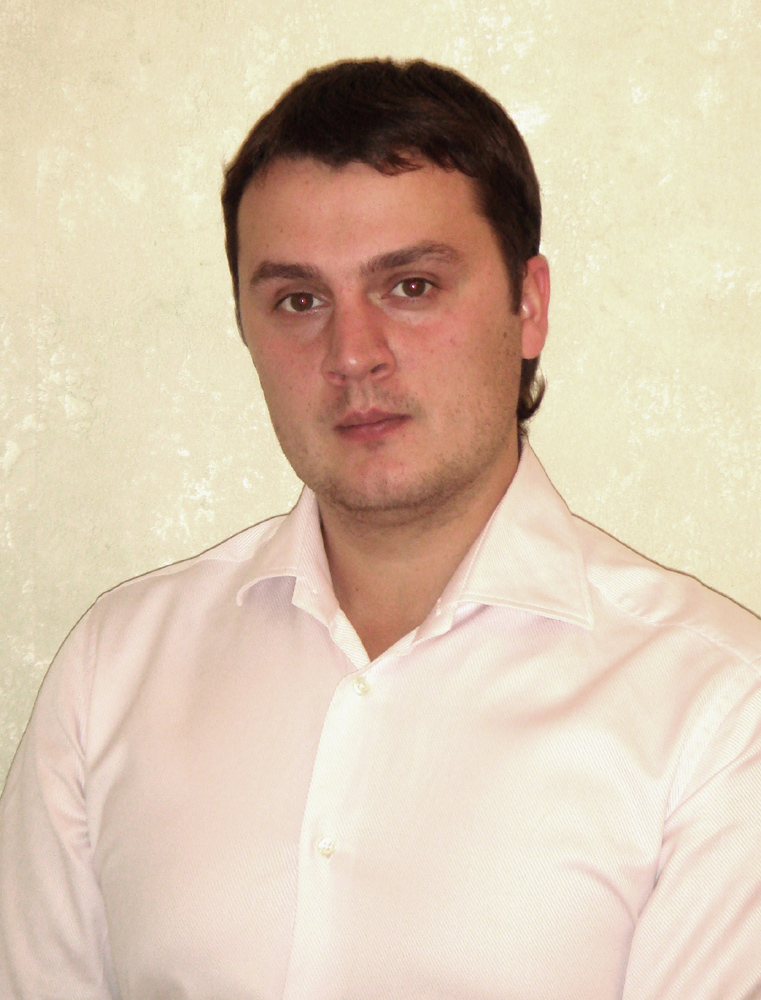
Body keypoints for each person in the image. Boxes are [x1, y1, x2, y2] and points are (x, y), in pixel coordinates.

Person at [1, 58, 760, 1000]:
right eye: (298, 300)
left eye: (410, 286)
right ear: (245, 327)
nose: (352, 354)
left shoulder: (715, 709)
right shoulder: (113, 670)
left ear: (528, 306)